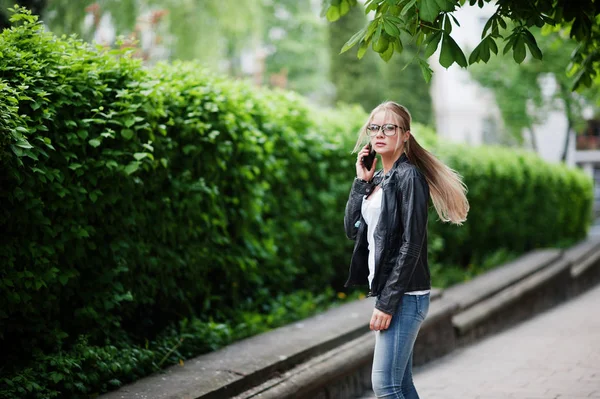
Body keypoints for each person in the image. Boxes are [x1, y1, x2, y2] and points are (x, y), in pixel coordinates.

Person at [343, 101, 469, 398]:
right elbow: (352, 230)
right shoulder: (377, 180)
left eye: (389, 127)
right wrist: (360, 182)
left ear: (405, 135)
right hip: (397, 294)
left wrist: (387, 303)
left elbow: (411, 245)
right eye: (374, 127)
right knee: (400, 385)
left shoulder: (408, 176)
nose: (380, 133)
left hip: (405, 296)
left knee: (385, 387)